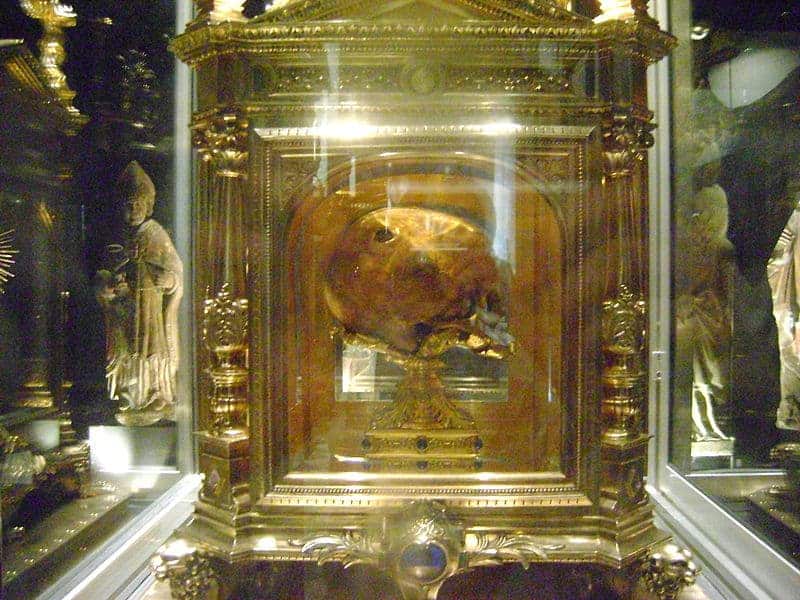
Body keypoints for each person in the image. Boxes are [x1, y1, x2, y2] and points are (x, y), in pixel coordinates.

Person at [95, 161, 182, 424]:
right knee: (125, 351)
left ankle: (156, 394)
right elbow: (103, 271)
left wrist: (170, 280)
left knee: (152, 350)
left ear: (148, 206)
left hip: (151, 310)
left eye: (138, 205)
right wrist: (107, 286)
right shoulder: (116, 237)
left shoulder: (157, 234)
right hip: (125, 311)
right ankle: (129, 396)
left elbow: (175, 270)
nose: (133, 210)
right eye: (128, 205)